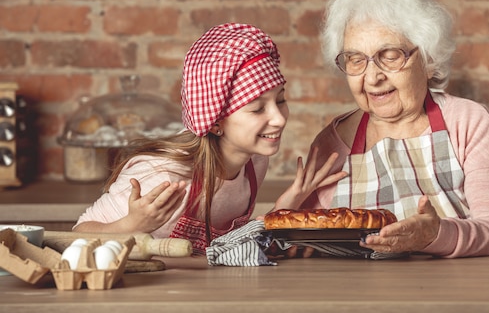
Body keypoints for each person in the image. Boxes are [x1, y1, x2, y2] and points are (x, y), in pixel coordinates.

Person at [73, 23, 345, 255]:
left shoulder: (254, 162)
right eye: (258, 108)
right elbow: (77, 237)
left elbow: (227, 249)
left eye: (281, 100)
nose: (280, 118)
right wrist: (132, 224)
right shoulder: (165, 176)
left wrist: (286, 207)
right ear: (215, 122)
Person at [300, 0, 489, 258]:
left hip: (458, 293)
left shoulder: (468, 122)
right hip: (355, 296)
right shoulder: (332, 144)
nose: (373, 77)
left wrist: (436, 235)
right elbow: (304, 237)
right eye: (356, 60)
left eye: (390, 55)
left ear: (428, 60)